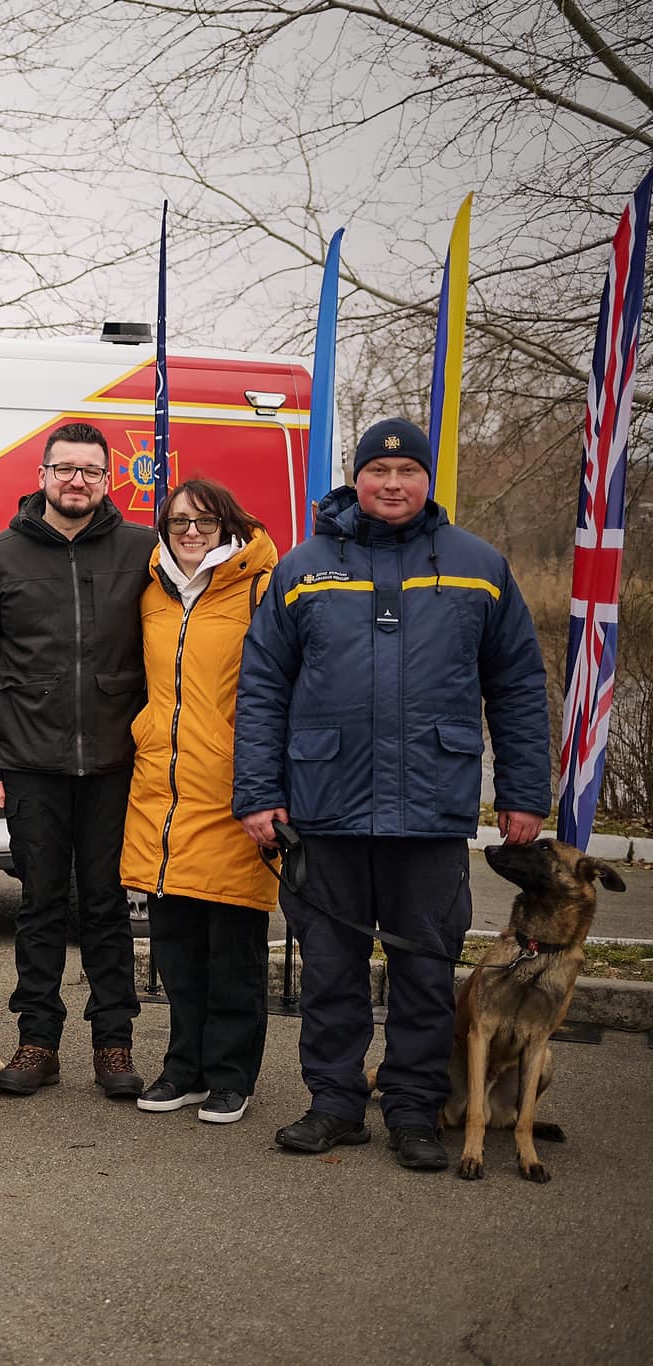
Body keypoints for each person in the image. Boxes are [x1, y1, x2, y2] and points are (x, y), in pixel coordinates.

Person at [236, 418, 550, 1170]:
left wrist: (524, 791)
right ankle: (336, 1104)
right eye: (379, 471)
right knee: (333, 968)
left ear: (426, 481)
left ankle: (413, 1109)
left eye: (407, 472)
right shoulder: (304, 568)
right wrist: (256, 793)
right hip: (324, 807)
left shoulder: (478, 565)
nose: (393, 484)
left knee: (425, 967)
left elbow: (517, 685)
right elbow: (261, 688)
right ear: (358, 478)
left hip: (429, 810)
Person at [0, 421, 153, 1100]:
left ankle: (114, 1044)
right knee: (39, 906)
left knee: (105, 908)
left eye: (91, 471)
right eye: (64, 469)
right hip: (30, 764)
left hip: (116, 763)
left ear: (108, 479)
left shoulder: (142, 551)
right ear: (41, 477)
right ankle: (38, 1040)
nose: (77, 481)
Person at [119, 478, 279, 1126]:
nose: (190, 531)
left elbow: (280, 692)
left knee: (234, 950)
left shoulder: (260, 588)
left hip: (233, 794)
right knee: (176, 948)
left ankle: (231, 1076)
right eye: (180, 520)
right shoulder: (152, 589)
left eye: (204, 521)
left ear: (228, 525)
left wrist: (270, 787)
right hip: (162, 792)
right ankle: (181, 1066)